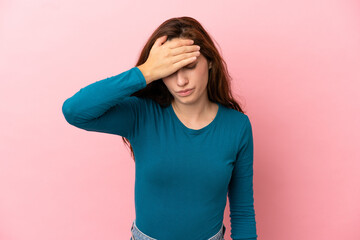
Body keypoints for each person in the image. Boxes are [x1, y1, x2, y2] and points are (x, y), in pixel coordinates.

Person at [62, 16, 258, 240]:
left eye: (189, 66)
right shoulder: (142, 114)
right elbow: (75, 111)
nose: (180, 81)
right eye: (169, 70)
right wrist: (145, 72)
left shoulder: (237, 126)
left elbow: (243, 212)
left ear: (210, 62)